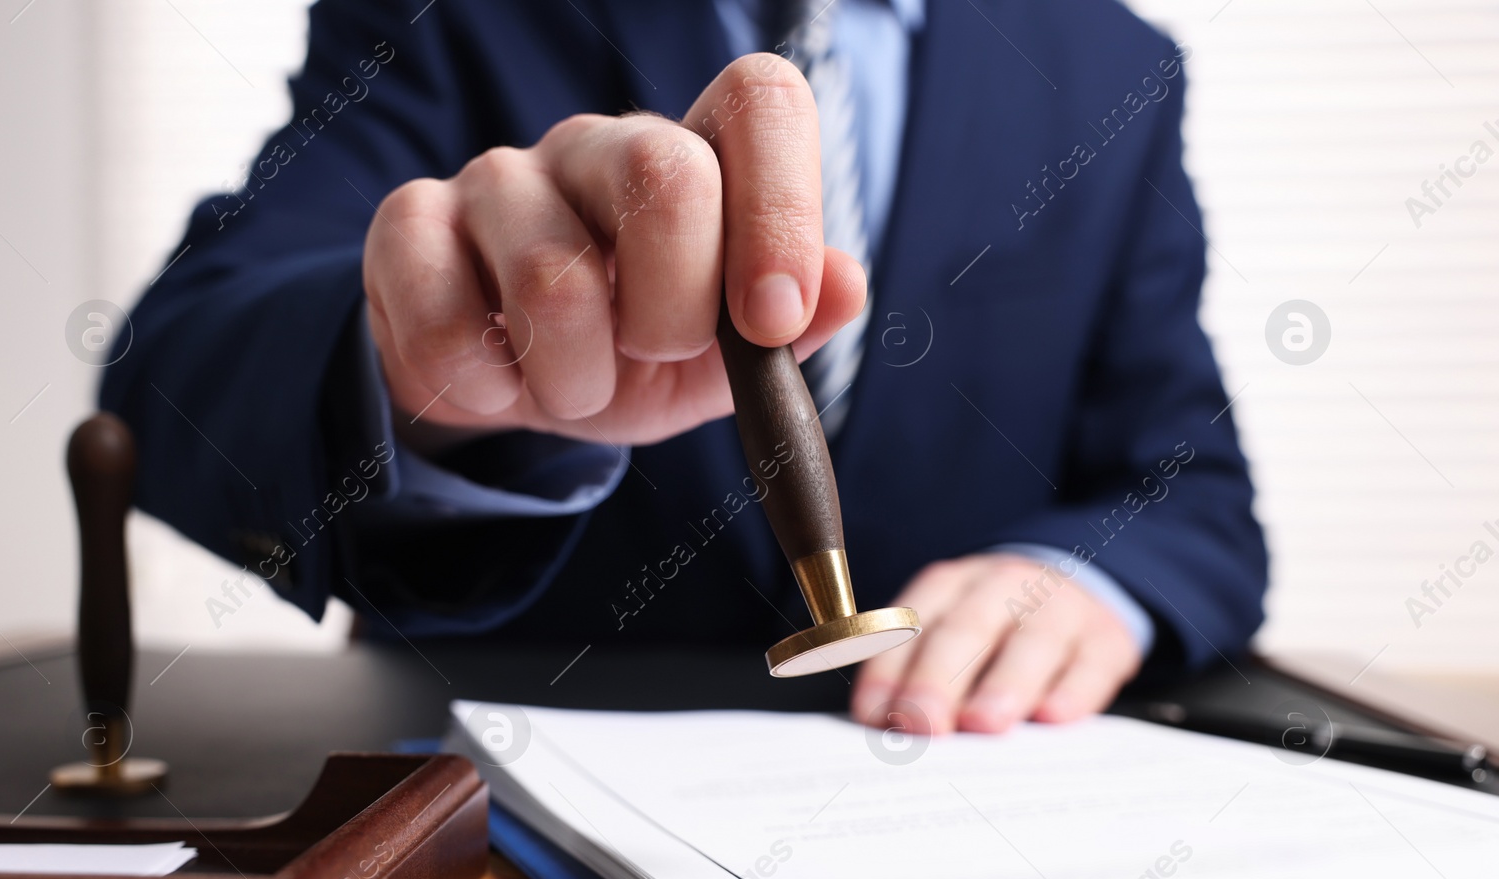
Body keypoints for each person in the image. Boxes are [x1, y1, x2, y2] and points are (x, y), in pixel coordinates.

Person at [103, 0, 1267, 735]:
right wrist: (418, 362)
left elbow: (1188, 489)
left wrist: (1082, 577)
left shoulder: (1112, 66)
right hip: (499, 827)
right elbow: (172, 369)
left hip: (955, 792)